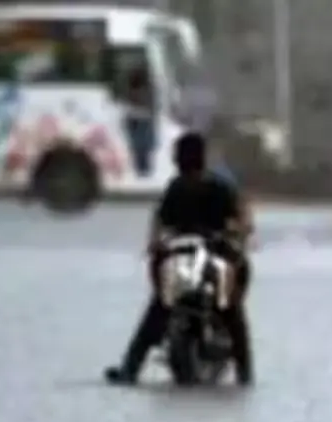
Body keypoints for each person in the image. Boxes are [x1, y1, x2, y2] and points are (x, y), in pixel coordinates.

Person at [104, 132, 254, 385]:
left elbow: (159, 222)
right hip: (197, 256)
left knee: (159, 310)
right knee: (231, 312)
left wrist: (156, 243)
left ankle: (130, 370)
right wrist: (239, 233)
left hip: (202, 256)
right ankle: (245, 372)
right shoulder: (207, 186)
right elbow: (242, 217)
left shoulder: (183, 187)